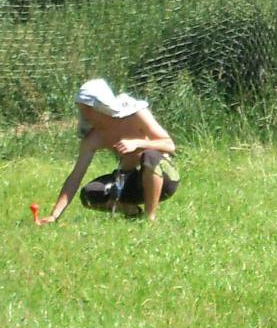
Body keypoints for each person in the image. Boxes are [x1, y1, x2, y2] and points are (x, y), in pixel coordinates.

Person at [36, 78, 178, 224]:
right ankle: (133, 212)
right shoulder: (93, 137)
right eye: (82, 109)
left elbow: (169, 145)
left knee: (150, 156)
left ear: (101, 106)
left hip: (165, 179)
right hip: (129, 180)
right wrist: (54, 216)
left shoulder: (136, 114)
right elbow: (76, 176)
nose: (84, 114)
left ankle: (149, 218)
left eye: (87, 109)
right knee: (90, 193)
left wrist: (137, 143)